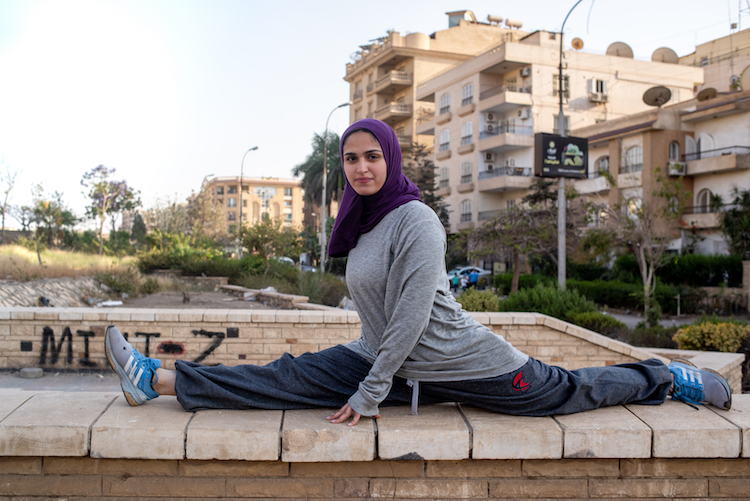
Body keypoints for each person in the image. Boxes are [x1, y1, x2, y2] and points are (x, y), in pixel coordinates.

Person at [104, 118, 731, 426]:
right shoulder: (365, 224)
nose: (360, 168)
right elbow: (384, 321)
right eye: (351, 158)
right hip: (389, 358)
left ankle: (664, 376)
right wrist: (373, 374)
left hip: (464, 361)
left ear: (390, 158)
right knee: (287, 376)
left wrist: (368, 395)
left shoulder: (417, 221)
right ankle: (153, 377)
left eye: (372, 156)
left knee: (568, 391)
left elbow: (409, 318)